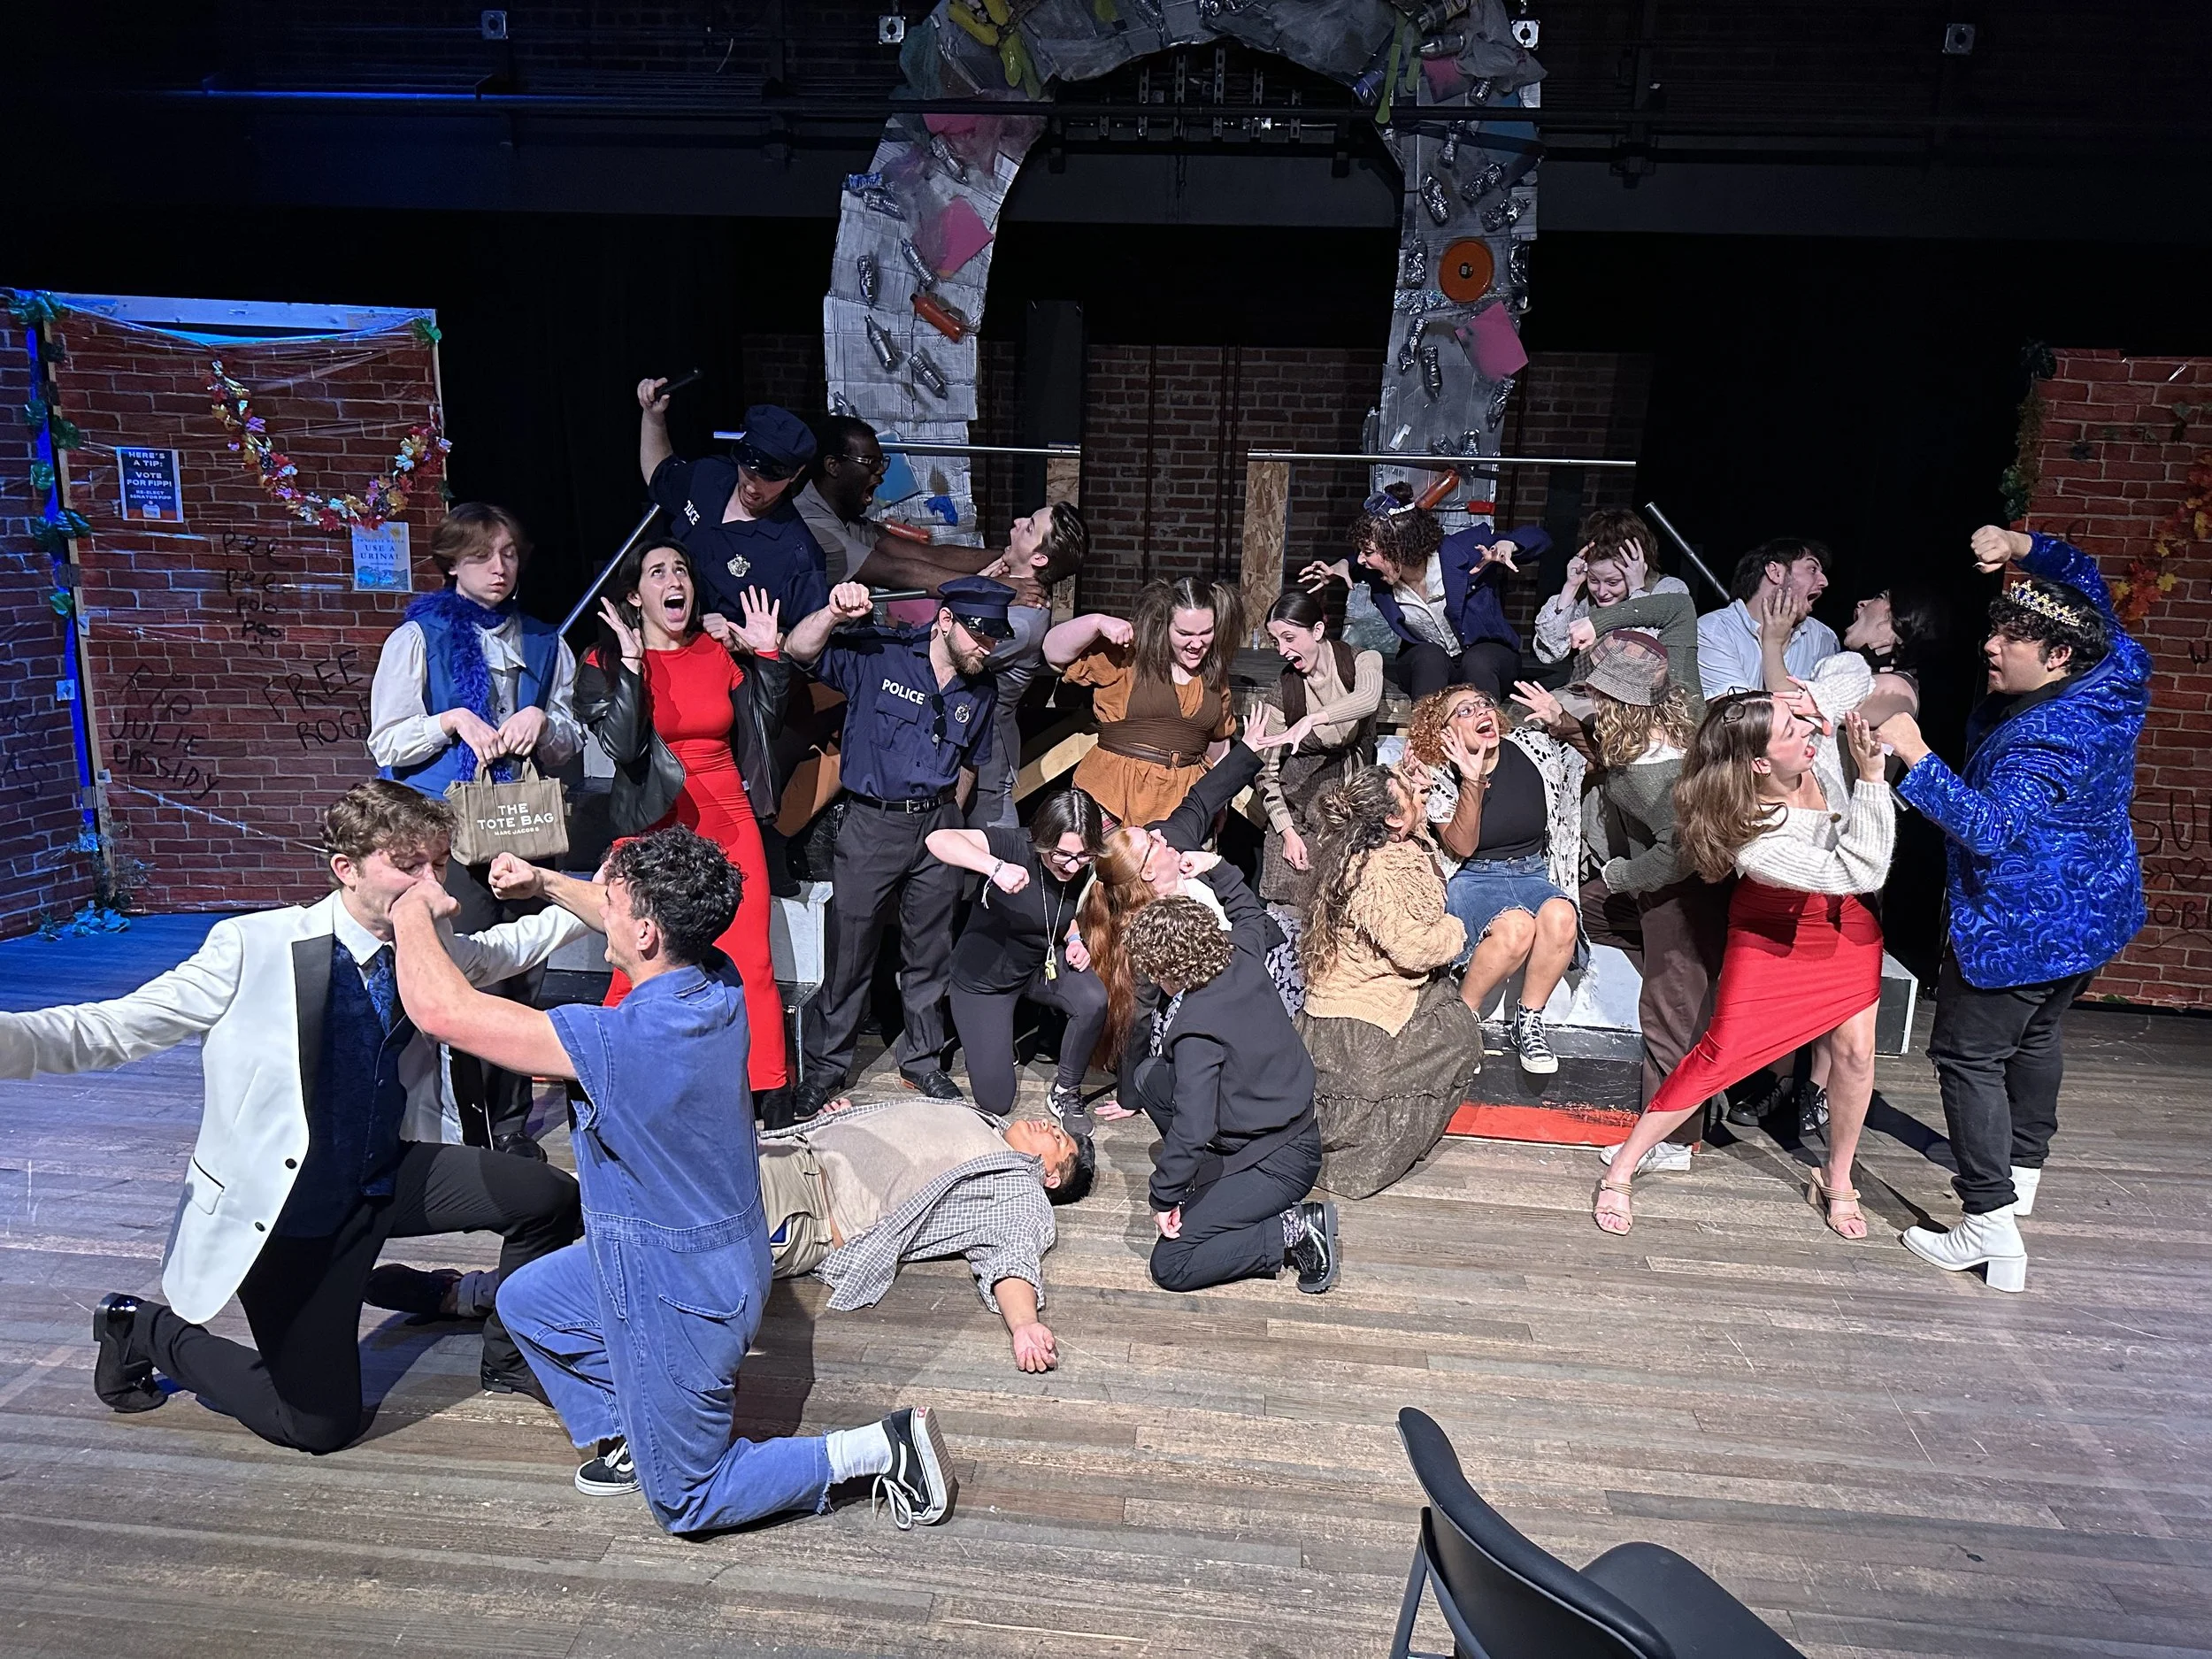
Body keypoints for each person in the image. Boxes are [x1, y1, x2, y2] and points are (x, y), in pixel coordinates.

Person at [389, 830, 956, 1531]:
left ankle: (878, 1448)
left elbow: (442, 1010)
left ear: (647, 932)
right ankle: (642, 1432)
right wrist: (545, 884)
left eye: (612, 902)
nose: (601, 906)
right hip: (703, 1258)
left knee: (686, 1499)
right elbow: (629, 920)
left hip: (682, 1294)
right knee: (529, 1302)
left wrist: (410, 903)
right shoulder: (716, 977)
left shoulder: (623, 1042)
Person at [3, 783, 584, 1448]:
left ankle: (508, 1353)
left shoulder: (428, 943)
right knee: (318, 1425)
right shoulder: (253, 946)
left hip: (385, 1175)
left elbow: (509, 947)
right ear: (346, 868)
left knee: (548, 1198)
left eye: (439, 863)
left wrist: (595, 897)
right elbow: (111, 1029)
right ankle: (143, 1327)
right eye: (408, 865)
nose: (432, 885)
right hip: (289, 1211)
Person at [1879, 526, 2148, 1293]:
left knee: (1969, 1056)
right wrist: (2019, 544)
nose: (1990, 646)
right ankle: (2021, 1169)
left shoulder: (2047, 739)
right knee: (2035, 1035)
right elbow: (2085, 576)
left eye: (2010, 640)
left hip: (2021, 928)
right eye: (1995, 631)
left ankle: (1988, 1224)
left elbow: (1988, 826)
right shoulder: (2116, 669)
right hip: (2094, 914)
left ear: (2057, 655)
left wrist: (1914, 751)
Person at [1591, 657, 1893, 1240]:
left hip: (1846, 928)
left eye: (1799, 723)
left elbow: (1855, 669)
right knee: (1719, 1055)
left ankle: (1837, 1177)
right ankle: (1623, 1167)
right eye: (1790, 730)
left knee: (1857, 1053)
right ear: (1759, 763)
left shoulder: (1812, 751)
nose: (1808, 733)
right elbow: (1864, 868)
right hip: (1774, 933)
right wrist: (1873, 778)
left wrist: (1813, 698)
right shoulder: (1754, 835)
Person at [369, 503, 582, 1156]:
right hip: (446, 835)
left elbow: (572, 741)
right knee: (463, 972)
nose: (499, 568)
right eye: (482, 556)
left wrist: (544, 723)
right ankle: (468, 1124)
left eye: (509, 554)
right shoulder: (419, 637)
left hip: (523, 825)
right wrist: (452, 720)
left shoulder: (545, 641)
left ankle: (511, 1125)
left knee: (521, 973)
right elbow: (385, 741)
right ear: (452, 564)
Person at [570, 539, 791, 1115]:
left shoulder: (715, 652)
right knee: (637, 955)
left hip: (727, 816)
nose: (674, 581)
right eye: (658, 572)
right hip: (651, 822)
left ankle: (762, 1093)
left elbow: (764, 725)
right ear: (634, 595)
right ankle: (613, 1080)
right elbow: (622, 746)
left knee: (750, 959)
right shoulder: (604, 663)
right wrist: (633, 665)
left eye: (682, 571)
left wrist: (767, 656)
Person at [784, 575, 1011, 1115]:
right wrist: (834, 613)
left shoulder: (982, 687)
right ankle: (825, 1068)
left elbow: (969, 764)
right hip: (872, 821)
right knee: (850, 951)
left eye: (994, 637)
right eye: (979, 635)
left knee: (930, 952)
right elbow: (798, 650)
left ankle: (922, 1062)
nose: (987, 647)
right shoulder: (879, 653)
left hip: (938, 824)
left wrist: (949, 824)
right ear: (946, 621)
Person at [1525, 633, 1726, 1168]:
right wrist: (1564, 724)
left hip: (1679, 897)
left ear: (1617, 704)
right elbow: (1612, 755)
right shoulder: (1673, 724)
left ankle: (1673, 1141)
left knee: (1667, 1015)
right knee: (1591, 910)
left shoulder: (1650, 776)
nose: (1590, 698)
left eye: (1597, 693)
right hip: (1672, 891)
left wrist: (1619, 874)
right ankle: (1693, 996)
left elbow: (1675, 857)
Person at [757, 1094, 1093, 1373]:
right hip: (787, 1148)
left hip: (805, 1201)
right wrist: (850, 1123)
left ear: (1051, 1177)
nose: (1048, 1125)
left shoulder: (1018, 1189)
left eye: (1058, 1139)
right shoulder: (986, 1123)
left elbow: (1013, 1255)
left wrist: (1024, 1323)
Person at [1124, 895, 1339, 1296]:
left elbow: (1193, 1127)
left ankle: (1295, 1230)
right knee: (1150, 1077)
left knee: (1172, 1264)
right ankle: (1209, 1177)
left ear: (1166, 970)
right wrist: (1217, 868)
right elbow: (1249, 912)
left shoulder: (1196, 1031)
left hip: (1280, 1162)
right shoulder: (1239, 952)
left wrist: (1163, 1198)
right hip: (1285, 1124)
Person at [1295, 765, 1483, 1199]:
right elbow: (1413, 949)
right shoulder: (1371, 871)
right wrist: (1456, 930)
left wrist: (1415, 782)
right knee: (1452, 1040)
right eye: (1413, 795)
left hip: (1395, 984)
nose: (1423, 796)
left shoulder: (1399, 843)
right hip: (1359, 1005)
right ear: (1393, 819)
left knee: (1455, 1030)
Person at [1408, 686, 1586, 1074]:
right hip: (1475, 878)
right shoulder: (1440, 774)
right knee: (1516, 929)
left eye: (1484, 704)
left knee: (1562, 917)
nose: (1480, 712)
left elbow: (1600, 757)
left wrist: (1562, 720)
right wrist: (1471, 780)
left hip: (1533, 872)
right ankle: (1462, 1022)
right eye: (1464, 711)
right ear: (1445, 732)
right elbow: (1462, 845)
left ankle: (1529, 1021)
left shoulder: (1532, 750)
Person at [927, 788, 1109, 1130]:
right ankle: (996, 1039)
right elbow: (938, 839)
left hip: (1039, 965)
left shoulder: (1080, 866)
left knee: (1092, 999)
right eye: (1062, 854)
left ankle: (1065, 1091)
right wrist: (994, 868)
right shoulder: (1014, 845)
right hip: (985, 982)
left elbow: (1061, 911)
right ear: (1043, 839)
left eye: (1083, 855)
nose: (1072, 865)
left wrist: (1074, 939)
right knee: (996, 1101)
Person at [1299, 487, 1550, 702]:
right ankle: (1424, 739)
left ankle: (1482, 737)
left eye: (1368, 552)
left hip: (1488, 659)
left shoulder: (1464, 551)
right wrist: (1341, 566)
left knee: (1478, 660)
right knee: (1429, 656)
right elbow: (1355, 563)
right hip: (1432, 666)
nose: (1363, 559)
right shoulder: (1378, 573)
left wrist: (1509, 544)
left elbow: (1540, 538)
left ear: (1399, 548)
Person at [1255, 588, 1386, 981]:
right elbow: (1266, 772)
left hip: (1352, 806)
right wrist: (1287, 832)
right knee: (1290, 920)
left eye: (1289, 638)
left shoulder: (1362, 661)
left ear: (1317, 630)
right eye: (1276, 641)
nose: (1282, 650)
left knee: (1349, 909)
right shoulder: (1284, 691)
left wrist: (1314, 719)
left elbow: (1368, 698)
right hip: (1301, 812)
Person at [1045, 577, 1242, 826]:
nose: (1196, 644)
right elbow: (1053, 653)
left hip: (1184, 808)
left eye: (1206, 633)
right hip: (1113, 794)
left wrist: (1218, 800)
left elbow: (1218, 743)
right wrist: (1097, 622)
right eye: (1184, 634)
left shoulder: (1214, 674)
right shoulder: (1131, 653)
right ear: (1165, 625)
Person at [637, 382, 827, 624]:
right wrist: (653, 418)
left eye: (770, 477)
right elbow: (660, 475)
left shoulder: (797, 556)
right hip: (664, 634)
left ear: (796, 473)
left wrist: (739, 639)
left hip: (725, 647)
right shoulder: (709, 476)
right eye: (749, 470)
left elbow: (804, 639)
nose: (753, 486)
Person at [968, 501, 1091, 829]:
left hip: (983, 756)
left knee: (992, 839)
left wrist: (977, 588)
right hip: (970, 745)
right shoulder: (1006, 587)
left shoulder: (1023, 621)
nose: (1018, 521)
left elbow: (950, 647)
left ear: (1039, 559)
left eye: (1030, 527)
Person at [1694, 537, 1840, 701]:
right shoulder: (1713, 632)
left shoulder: (1823, 638)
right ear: (1775, 572)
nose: (1824, 582)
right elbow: (1739, 713)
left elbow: (1832, 708)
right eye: (1812, 569)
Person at [1844, 580, 1948, 727]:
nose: (1862, 603)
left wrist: (1854, 663)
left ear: (1903, 624)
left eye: (1880, 597)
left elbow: (1819, 703)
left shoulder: (1896, 688)